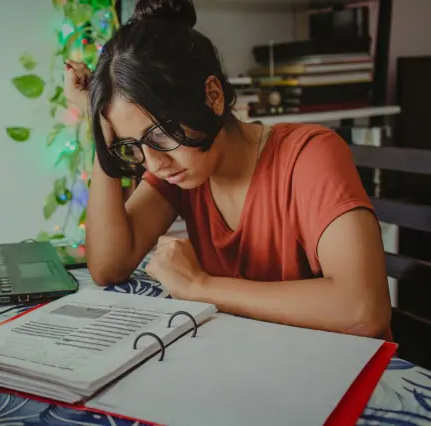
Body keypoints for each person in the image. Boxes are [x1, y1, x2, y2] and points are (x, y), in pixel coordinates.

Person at [64, 0, 392, 338]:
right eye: (133, 146)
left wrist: (201, 286)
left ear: (212, 95)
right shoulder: (184, 171)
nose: (154, 163)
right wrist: (100, 132)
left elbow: (363, 309)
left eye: (160, 133)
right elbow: (108, 265)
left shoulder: (310, 156)